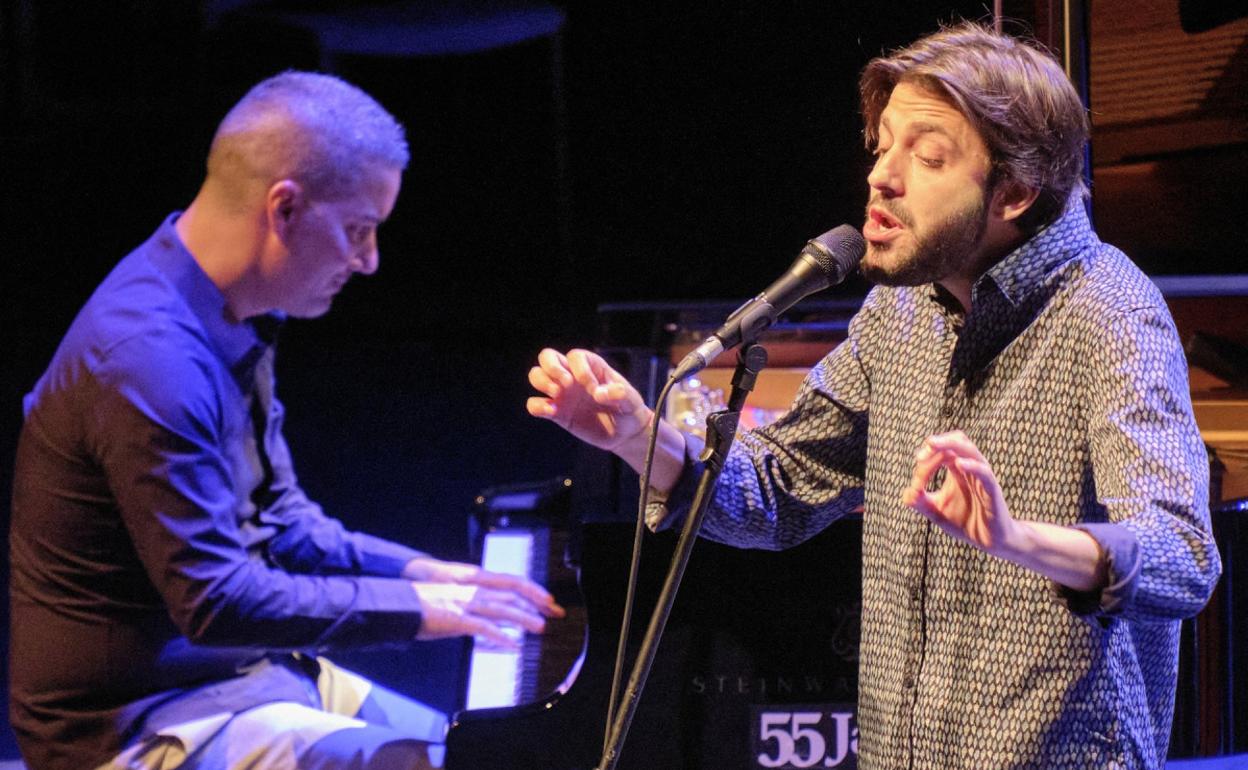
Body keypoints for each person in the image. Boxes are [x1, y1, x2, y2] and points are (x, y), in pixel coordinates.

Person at [527, 22, 1221, 770]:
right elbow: (776, 490)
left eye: (927, 156)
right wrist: (640, 435)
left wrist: (1015, 539)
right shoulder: (900, 312)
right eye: (882, 145)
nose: (881, 178)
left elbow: (1182, 557)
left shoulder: (1111, 311)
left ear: (1015, 191)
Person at [9, 71, 563, 770]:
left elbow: (283, 523)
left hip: (232, 675)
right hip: (131, 724)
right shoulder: (150, 360)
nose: (369, 261)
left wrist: (426, 574)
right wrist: (420, 610)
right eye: (359, 231)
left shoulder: (239, 307)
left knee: (495, 754)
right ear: (286, 208)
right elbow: (218, 604)